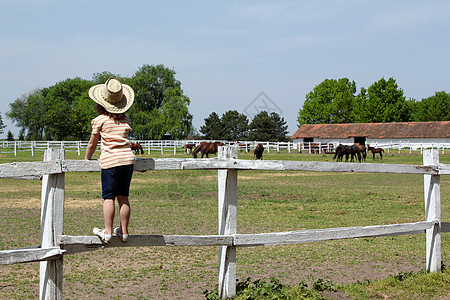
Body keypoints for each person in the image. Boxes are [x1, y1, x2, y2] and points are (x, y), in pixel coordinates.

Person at [85, 78, 136, 243]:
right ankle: (124, 231)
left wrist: (87, 158)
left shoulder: (99, 120)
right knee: (123, 197)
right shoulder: (126, 121)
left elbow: (92, 144)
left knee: (108, 197)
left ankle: (107, 231)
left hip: (110, 162)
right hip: (127, 161)